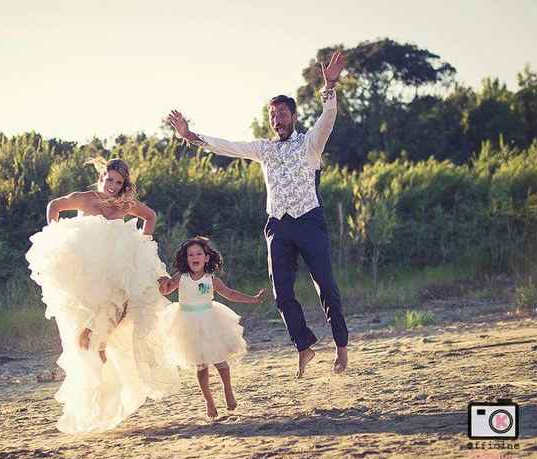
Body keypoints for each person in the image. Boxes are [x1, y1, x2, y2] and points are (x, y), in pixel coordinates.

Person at [166, 51, 349, 378]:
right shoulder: (263, 149)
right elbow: (228, 146)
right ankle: (304, 346)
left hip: (309, 221)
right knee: (282, 295)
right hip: (278, 226)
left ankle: (341, 347)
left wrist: (330, 84)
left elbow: (329, 116)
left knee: (326, 286)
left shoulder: (311, 144)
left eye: (282, 114)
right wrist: (191, 136)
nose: (277, 120)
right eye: (272, 115)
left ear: (293, 116)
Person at [26, 157, 179, 433]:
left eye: (119, 182)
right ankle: (93, 390)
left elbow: (151, 216)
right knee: (86, 339)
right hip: (90, 278)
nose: (113, 186)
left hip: (117, 278)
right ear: (102, 177)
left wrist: (142, 243)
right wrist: (55, 235)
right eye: (109, 179)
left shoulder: (124, 204)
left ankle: (105, 389)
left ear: (124, 185)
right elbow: (54, 206)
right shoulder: (84, 199)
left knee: (111, 334)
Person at [159, 236, 264, 419]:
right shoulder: (181, 277)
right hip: (187, 323)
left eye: (199, 253)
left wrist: (252, 299)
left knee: (220, 361)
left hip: (210, 320)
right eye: (190, 254)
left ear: (206, 258)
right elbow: (166, 290)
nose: (194, 257)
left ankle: (228, 390)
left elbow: (230, 293)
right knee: (201, 366)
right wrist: (161, 281)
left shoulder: (211, 279)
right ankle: (209, 401)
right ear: (186, 259)